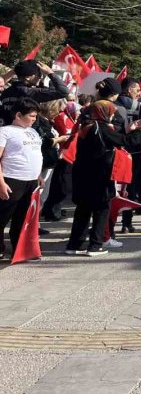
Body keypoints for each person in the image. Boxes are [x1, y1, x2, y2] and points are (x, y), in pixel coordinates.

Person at [65, 100, 141, 256]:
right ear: (103, 113)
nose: (113, 116)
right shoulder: (101, 128)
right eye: (111, 113)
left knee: (83, 209)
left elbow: (116, 138)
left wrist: (130, 129)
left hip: (82, 173)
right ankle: (95, 245)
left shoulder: (86, 126)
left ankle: (75, 244)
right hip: (99, 174)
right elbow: (127, 142)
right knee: (101, 208)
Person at [0, 98, 44, 260]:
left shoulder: (33, 132)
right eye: (31, 116)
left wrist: (39, 175)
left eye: (35, 116)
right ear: (18, 115)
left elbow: (34, 154)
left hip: (31, 181)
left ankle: (19, 250)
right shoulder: (5, 132)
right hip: (11, 179)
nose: (34, 119)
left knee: (23, 217)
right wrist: (1, 183)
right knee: (2, 216)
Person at [0, 60, 69, 126]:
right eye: (38, 74)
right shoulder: (31, 93)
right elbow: (63, 92)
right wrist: (50, 73)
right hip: (23, 130)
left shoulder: (6, 91)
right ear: (28, 77)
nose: (40, 77)